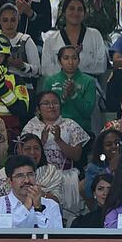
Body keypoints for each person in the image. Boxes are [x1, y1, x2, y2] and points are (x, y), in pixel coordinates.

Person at [22, 90, 90, 220]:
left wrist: (59, 140)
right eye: (46, 103)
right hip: (40, 177)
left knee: (67, 217)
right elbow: (24, 155)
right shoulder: (31, 126)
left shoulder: (70, 124)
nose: (51, 107)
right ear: (38, 108)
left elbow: (77, 156)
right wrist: (41, 141)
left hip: (66, 175)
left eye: (55, 103)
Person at [0, 155, 63, 228]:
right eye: (20, 176)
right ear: (9, 181)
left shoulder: (51, 205)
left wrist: (38, 208)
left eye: (30, 174)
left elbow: (55, 237)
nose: (27, 180)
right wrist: (25, 208)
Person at [41, 0, 108, 77]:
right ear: (64, 12)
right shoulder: (51, 40)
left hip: (88, 84)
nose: (76, 13)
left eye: (80, 9)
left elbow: (101, 66)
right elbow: (45, 69)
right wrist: (68, 73)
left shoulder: (95, 35)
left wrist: (77, 73)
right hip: (58, 85)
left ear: (84, 14)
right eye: (71, 9)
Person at [41, 46, 97, 134]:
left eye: (74, 58)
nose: (70, 62)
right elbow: (44, 110)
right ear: (59, 62)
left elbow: (87, 111)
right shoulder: (50, 81)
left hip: (82, 130)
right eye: (66, 58)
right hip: (54, 130)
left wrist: (74, 95)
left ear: (79, 61)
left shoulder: (89, 81)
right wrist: (63, 98)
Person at [0, 2, 40, 90]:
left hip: (23, 89)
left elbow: (38, 70)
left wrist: (23, 66)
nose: (9, 24)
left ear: (18, 19)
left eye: (13, 20)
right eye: (5, 20)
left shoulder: (26, 40)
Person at [84, 129, 122, 205]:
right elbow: (89, 194)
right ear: (101, 148)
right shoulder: (93, 167)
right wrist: (109, 169)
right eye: (108, 144)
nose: (114, 147)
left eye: (117, 143)